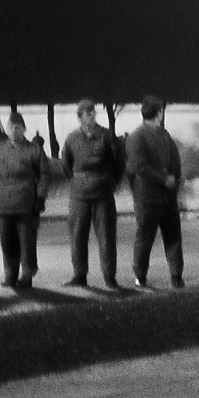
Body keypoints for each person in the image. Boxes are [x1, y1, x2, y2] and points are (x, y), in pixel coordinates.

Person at [60, 98, 125, 289]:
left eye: (92, 111)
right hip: (79, 194)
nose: (90, 115)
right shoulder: (71, 139)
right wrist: (78, 180)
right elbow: (66, 164)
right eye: (86, 112)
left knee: (106, 236)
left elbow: (118, 162)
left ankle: (109, 277)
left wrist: (112, 182)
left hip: (102, 193)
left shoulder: (107, 136)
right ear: (79, 117)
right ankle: (79, 275)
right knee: (78, 236)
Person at [123, 96, 185, 289]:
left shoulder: (136, 136)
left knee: (145, 238)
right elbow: (144, 166)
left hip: (149, 196)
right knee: (171, 238)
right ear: (159, 113)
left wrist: (169, 178)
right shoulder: (162, 136)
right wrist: (168, 179)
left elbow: (138, 167)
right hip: (158, 195)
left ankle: (141, 276)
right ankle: (175, 276)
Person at [0, 113, 48, 289]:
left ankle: (26, 275)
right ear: (7, 129)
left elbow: (44, 175)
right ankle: (10, 274)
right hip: (3, 205)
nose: (15, 131)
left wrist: (40, 197)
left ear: (24, 129)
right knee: (7, 242)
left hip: (26, 204)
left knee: (27, 242)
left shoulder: (34, 150)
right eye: (11, 127)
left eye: (18, 127)